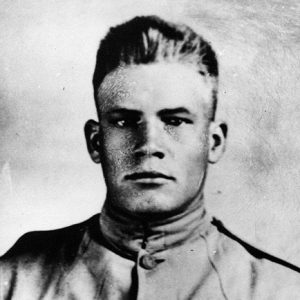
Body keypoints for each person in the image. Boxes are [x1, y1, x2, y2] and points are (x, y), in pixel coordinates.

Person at [1, 15, 300, 300]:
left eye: (175, 120)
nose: (149, 145)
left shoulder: (281, 291)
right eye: (125, 121)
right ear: (95, 142)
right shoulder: (14, 281)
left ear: (214, 142)